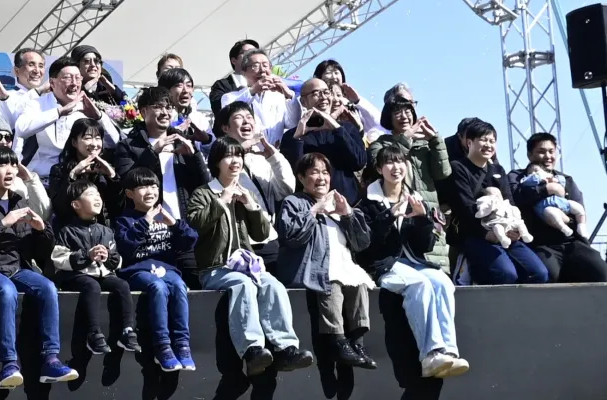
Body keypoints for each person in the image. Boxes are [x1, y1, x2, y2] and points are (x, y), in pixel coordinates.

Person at [188, 140, 314, 377]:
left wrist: (252, 206)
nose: (235, 161)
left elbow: (262, 234)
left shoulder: (245, 192)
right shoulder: (203, 193)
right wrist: (221, 201)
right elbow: (196, 224)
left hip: (247, 266)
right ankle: (252, 351)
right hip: (214, 269)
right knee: (243, 284)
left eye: (238, 155)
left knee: (273, 285)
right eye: (229, 156)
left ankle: (286, 349)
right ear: (216, 162)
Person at [0, 147, 78, 388]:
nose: (10, 170)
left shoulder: (21, 203)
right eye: (2, 165)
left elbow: (41, 253)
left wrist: (41, 230)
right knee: (6, 290)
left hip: (16, 267)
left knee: (47, 287)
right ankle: (9, 364)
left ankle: (51, 359)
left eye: (13, 164)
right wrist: (2, 223)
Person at [358, 146, 469, 378]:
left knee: (442, 282)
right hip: (384, 265)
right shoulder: (367, 202)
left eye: (400, 162)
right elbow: (366, 245)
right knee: (419, 284)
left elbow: (425, 246)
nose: (396, 167)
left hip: (415, 262)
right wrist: (389, 216)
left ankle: (449, 351)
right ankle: (431, 355)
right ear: (379, 168)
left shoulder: (414, 199)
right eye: (389, 162)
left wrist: (422, 219)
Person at [275, 153, 376, 369]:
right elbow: (291, 236)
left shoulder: (338, 202)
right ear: (301, 178)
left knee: (358, 284)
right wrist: (314, 210)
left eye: (325, 172)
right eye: (314, 172)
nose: (321, 178)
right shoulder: (293, 202)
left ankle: (357, 343)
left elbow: (362, 243)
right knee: (331, 280)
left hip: (343, 264)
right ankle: (338, 341)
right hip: (312, 267)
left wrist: (347, 214)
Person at [113, 167, 198, 371]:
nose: (150, 191)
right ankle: (163, 346)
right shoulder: (124, 220)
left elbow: (190, 240)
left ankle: (183, 345)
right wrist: (145, 222)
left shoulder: (166, 217)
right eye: (142, 187)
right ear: (130, 193)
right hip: (137, 271)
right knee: (158, 287)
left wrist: (174, 224)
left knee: (178, 285)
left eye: (153, 186)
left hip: (167, 270)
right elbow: (126, 248)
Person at [449, 120, 548, 285]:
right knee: (506, 273)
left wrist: (514, 229)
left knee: (539, 273)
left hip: (505, 231)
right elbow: (465, 208)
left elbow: (510, 202)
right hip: (475, 234)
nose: (488, 145)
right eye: (483, 140)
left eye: (492, 141)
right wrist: (486, 234)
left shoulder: (498, 170)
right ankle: (473, 272)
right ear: (469, 142)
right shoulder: (458, 168)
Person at [52, 180, 140, 355]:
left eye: (98, 194)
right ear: (76, 204)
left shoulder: (106, 230)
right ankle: (93, 334)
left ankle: (128, 330)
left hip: (103, 274)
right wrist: (87, 255)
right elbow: (58, 258)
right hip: (76, 275)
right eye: (91, 194)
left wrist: (108, 257)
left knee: (122, 285)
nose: (97, 198)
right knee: (91, 285)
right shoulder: (67, 231)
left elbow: (117, 260)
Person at [367, 95, 452, 272]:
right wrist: (405, 139)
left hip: (426, 207)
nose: (404, 116)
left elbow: (443, 172)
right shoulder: (380, 144)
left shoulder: (424, 144)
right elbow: (377, 166)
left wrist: (435, 140)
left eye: (408, 111)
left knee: (436, 268)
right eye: (397, 112)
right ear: (388, 117)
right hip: (397, 210)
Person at [509, 132, 607, 283]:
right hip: (540, 244)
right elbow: (517, 198)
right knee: (548, 275)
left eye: (551, 151)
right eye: (541, 151)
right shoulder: (517, 177)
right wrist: (547, 189)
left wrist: (564, 218)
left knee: (600, 271)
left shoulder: (566, 180)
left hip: (570, 242)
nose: (548, 156)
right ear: (529, 154)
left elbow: (578, 211)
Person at [112, 87, 208, 238]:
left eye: (168, 107)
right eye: (158, 107)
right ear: (143, 112)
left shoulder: (181, 141)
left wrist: (194, 157)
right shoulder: (128, 145)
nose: (165, 112)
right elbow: (126, 183)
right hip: (150, 230)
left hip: (183, 224)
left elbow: (203, 183)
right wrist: (152, 152)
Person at [216, 100, 294, 271]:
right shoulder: (217, 159)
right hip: (238, 242)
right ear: (225, 128)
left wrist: (274, 157)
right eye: (239, 117)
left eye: (249, 117)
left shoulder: (261, 159)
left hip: (268, 236)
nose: (246, 121)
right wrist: (238, 151)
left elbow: (285, 190)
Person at [14, 56, 119, 180]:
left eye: (78, 78)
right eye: (68, 78)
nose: (74, 83)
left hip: (79, 177)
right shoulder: (37, 104)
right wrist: (60, 112)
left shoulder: (86, 107)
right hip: (41, 178)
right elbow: (21, 129)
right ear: (52, 83)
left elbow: (113, 142)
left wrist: (98, 117)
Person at [279, 78, 367, 205]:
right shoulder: (292, 136)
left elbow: (359, 161)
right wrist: (297, 138)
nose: (323, 97)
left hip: (349, 204)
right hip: (312, 207)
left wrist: (337, 129)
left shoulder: (346, 128)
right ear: (303, 101)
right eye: (316, 93)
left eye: (326, 92)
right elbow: (294, 174)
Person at [221, 49, 301, 145]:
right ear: (243, 71)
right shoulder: (230, 97)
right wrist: (253, 90)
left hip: (275, 151)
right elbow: (230, 114)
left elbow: (293, 124)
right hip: (246, 151)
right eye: (255, 66)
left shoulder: (279, 97)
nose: (262, 70)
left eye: (265, 65)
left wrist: (289, 95)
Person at [47, 118, 119, 222]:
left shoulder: (106, 169)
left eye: (98, 138)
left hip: (103, 228)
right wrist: (73, 175)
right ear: (74, 142)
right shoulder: (60, 170)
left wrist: (112, 176)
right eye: (88, 138)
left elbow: (118, 207)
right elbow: (60, 207)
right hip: (71, 228)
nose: (94, 144)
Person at [312, 59, 385, 138]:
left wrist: (358, 101)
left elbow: (379, 123)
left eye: (336, 73)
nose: (333, 76)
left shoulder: (351, 105)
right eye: (328, 73)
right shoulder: (312, 103)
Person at [209, 39, 259, 132]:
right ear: (234, 60)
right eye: (247, 53)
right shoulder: (221, 85)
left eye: (255, 52)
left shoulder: (266, 85)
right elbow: (220, 111)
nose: (253, 56)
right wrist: (251, 92)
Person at [159, 67, 213, 144]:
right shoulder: (159, 118)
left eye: (189, 85)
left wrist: (206, 140)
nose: (185, 90)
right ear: (166, 90)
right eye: (178, 85)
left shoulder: (198, 119)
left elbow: (215, 148)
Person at [3, 48, 47, 132]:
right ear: (16, 71)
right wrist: (38, 91)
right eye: (31, 65)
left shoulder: (48, 98)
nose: (37, 71)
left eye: (41, 66)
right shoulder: (7, 96)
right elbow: (13, 123)